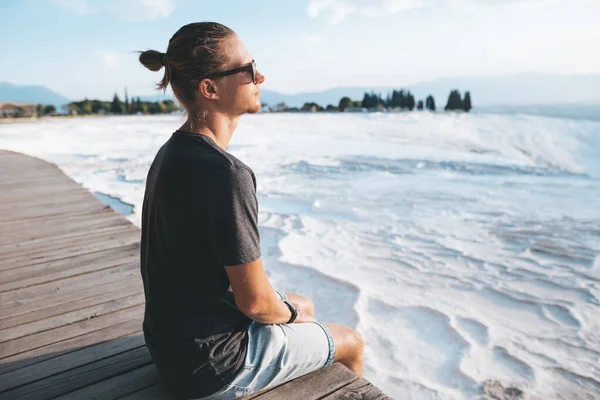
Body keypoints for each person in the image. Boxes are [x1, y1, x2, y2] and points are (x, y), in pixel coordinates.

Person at [138, 22, 364, 399]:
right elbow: (256, 303)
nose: (260, 75)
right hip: (212, 367)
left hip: (170, 345)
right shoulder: (226, 174)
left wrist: (295, 311)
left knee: (304, 303)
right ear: (209, 88)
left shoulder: (173, 152)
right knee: (351, 340)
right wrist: (293, 318)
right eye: (246, 69)